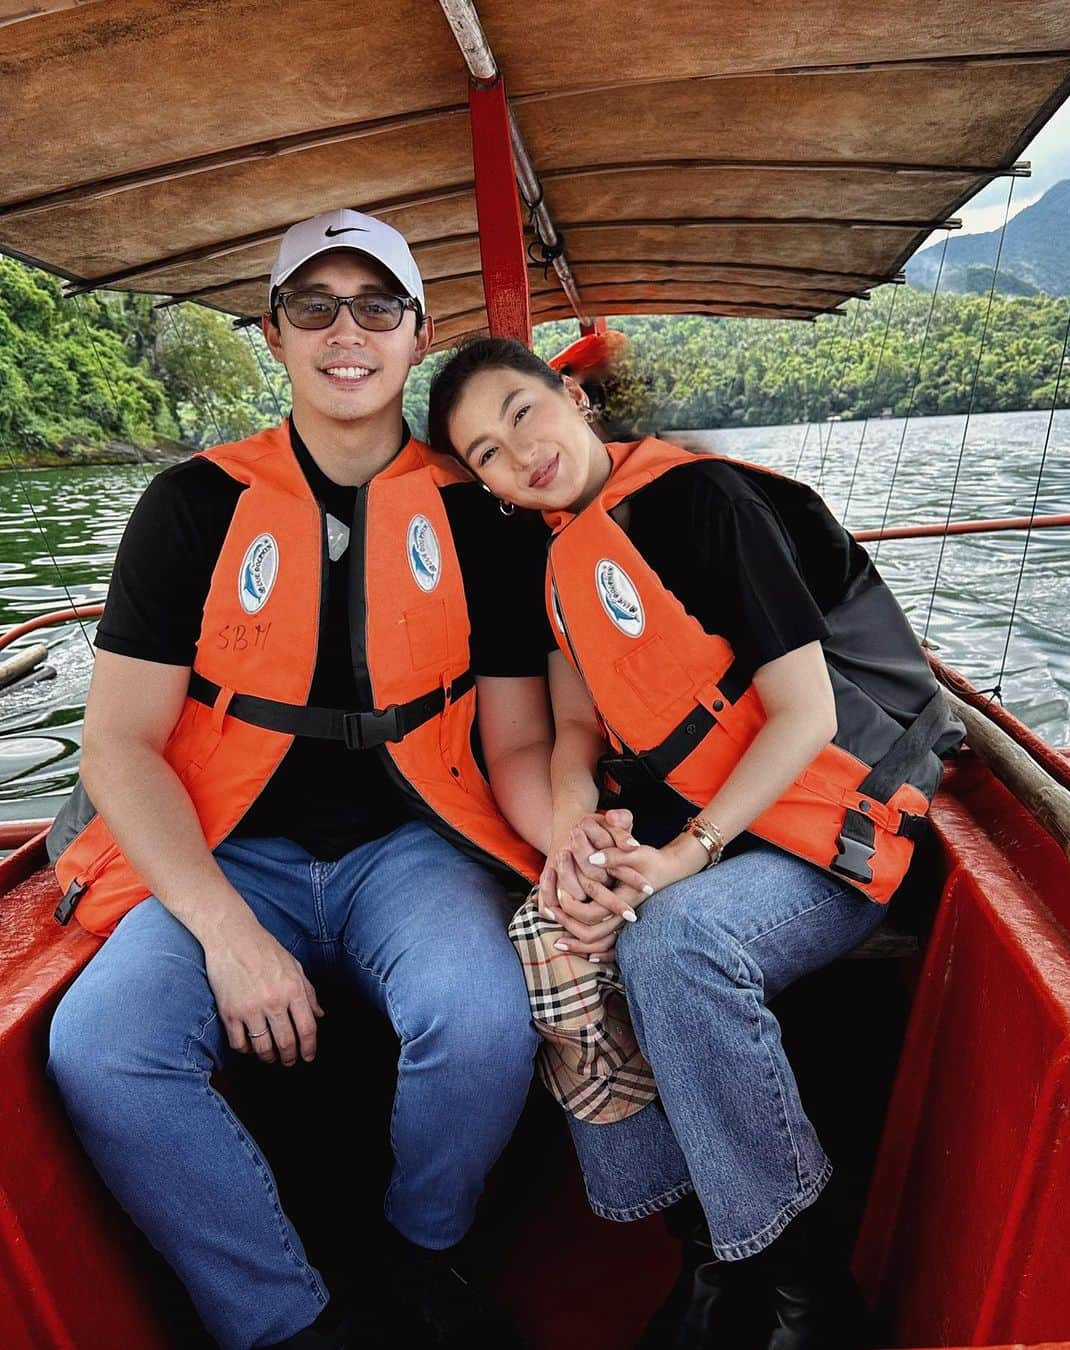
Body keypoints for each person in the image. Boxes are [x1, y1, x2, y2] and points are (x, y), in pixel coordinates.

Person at [45, 214, 556, 1350]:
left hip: (412, 850)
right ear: (273, 335)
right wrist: (227, 934)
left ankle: (422, 1253)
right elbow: (120, 746)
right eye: (314, 306)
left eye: (378, 306)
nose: (347, 332)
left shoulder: (481, 514)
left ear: (417, 336)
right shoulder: (192, 506)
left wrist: (579, 850)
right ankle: (287, 1320)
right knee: (102, 1049)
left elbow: (521, 739)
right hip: (228, 846)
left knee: (481, 1019)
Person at [426, 337, 963, 1350]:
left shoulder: (703, 502)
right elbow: (575, 732)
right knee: (554, 934)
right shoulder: (560, 565)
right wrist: (578, 837)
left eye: (521, 413)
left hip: (834, 827)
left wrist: (688, 855)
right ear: (487, 486)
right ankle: (706, 1254)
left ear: (572, 399)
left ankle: (802, 1293)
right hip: (719, 830)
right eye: (486, 452)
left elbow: (802, 713)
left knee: (674, 944)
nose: (518, 452)